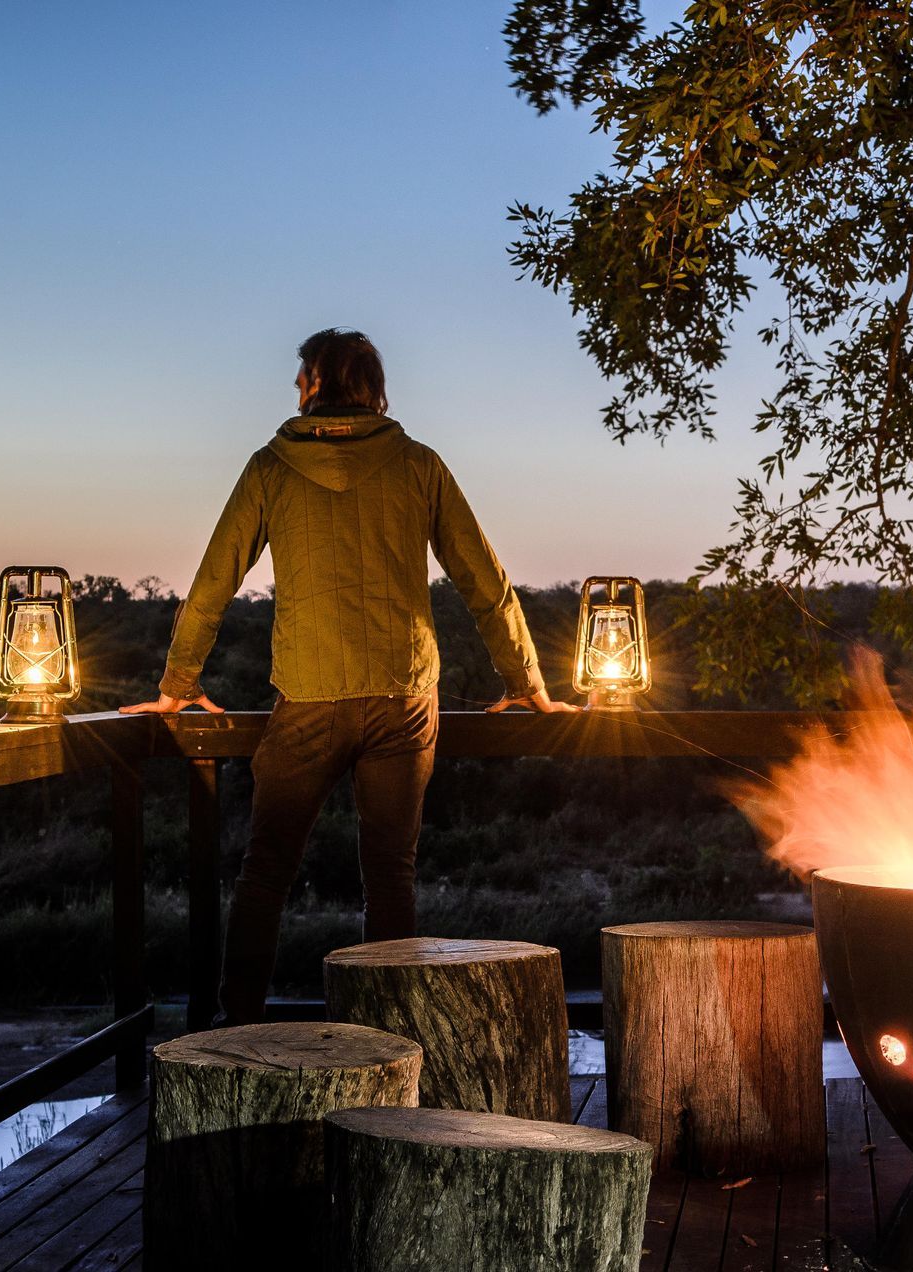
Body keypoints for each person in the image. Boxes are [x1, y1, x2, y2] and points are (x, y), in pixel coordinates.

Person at [122, 328, 574, 1024]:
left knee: (267, 871)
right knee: (390, 875)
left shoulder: (270, 468)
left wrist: (178, 684)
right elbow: (484, 581)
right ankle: (389, 1035)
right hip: (403, 699)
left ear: (314, 384)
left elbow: (214, 583)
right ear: (372, 388)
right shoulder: (419, 464)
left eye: (301, 376)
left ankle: (234, 1030)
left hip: (307, 700)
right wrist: (527, 680)